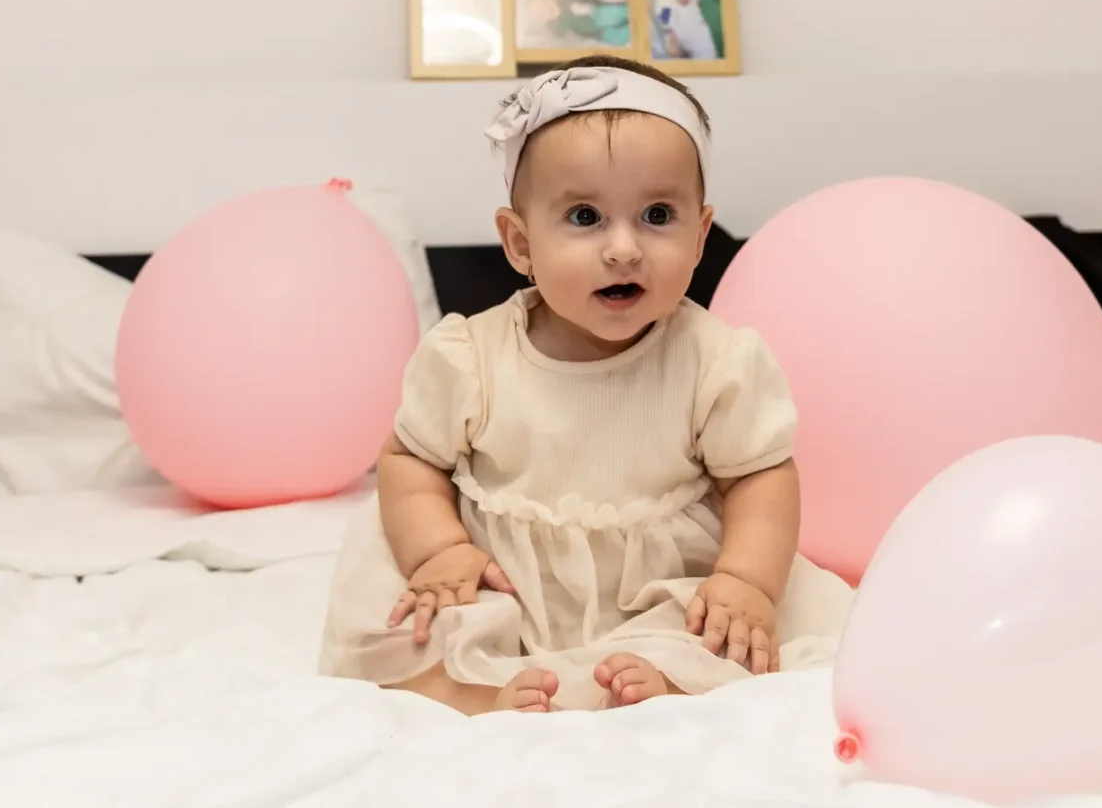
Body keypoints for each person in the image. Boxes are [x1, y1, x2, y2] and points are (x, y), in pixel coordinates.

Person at [318, 56, 850, 712]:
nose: (624, 248)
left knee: (720, 624)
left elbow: (760, 478)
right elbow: (410, 461)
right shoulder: (469, 358)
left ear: (699, 236)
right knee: (406, 604)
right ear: (520, 243)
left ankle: (665, 673)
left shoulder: (715, 362)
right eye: (584, 217)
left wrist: (746, 581)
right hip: (500, 578)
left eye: (658, 214)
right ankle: (465, 686)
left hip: (655, 584)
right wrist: (440, 550)